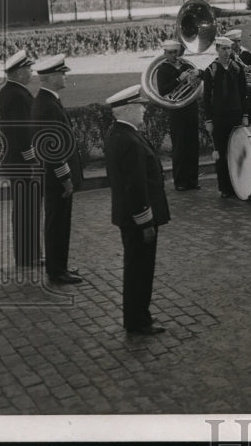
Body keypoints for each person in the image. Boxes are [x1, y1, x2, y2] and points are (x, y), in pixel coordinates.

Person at [105, 84, 170, 336]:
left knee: (136, 268)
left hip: (128, 216)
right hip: (138, 218)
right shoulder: (130, 140)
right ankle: (138, 321)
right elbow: (135, 186)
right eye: (140, 106)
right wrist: (146, 222)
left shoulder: (118, 133)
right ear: (128, 109)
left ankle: (136, 317)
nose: (144, 110)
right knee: (140, 270)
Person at [31, 54, 84, 285]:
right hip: (56, 178)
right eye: (61, 73)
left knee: (58, 222)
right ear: (51, 77)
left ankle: (58, 266)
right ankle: (57, 271)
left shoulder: (47, 100)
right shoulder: (48, 105)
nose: (65, 76)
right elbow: (52, 149)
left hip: (52, 176)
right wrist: (65, 178)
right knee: (57, 224)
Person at [0, 49, 41, 268]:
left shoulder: (10, 92)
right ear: (18, 72)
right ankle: (27, 256)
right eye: (28, 69)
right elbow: (22, 132)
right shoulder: (17, 95)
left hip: (16, 161)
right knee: (26, 209)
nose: (31, 72)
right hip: (22, 163)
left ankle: (28, 254)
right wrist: (31, 161)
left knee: (25, 208)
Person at [201, 36, 250, 199]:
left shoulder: (237, 68)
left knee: (237, 152)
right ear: (217, 49)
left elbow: (244, 93)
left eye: (229, 49)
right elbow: (206, 97)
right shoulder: (210, 70)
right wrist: (209, 120)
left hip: (236, 115)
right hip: (219, 117)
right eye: (223, 49)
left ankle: (239, 184)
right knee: (221, 153)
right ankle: (225, 188)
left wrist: (245, 115)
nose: (227, 52)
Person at [154, 40, 200, 190]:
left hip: (191, 108)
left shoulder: (187, 66)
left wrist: (195, 78)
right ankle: (180, 182)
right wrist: (179, 79)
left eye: (176, 52)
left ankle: (193, 181)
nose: (174, 55)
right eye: (170, 53)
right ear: (165, 53)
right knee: (180, 147)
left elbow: (198, 83)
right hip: (177, 111)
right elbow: (163, 91)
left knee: (193, 145)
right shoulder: (163, 69)